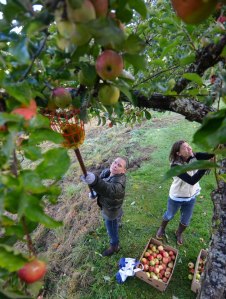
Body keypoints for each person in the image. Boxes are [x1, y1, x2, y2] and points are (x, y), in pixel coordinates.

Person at [156, 140, 214, 245]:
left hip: (191, 197)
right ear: (178, 153)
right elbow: (191, 180)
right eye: (185, 147)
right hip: (176, 197)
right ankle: (162, 228)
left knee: (186, 220)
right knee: (169, 215)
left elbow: (212, 154)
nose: (189, 148)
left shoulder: (194, 156)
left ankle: (179, 233)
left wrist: (219, 146)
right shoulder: (175, 166)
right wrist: (205, 167)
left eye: (188, 146)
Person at [81, 157, 127, 256]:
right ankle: (118, 221)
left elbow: (108, 189)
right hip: (111, 204)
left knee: (111, 228)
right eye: (115, 162)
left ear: (124, 171)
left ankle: (115, 246)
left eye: (119, 165)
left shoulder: (118, 184)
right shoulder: (107, 172)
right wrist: (95, 192)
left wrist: (95, 181)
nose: (115, 165)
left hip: (111, 211)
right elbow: (103, 185)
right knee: (117, 214)